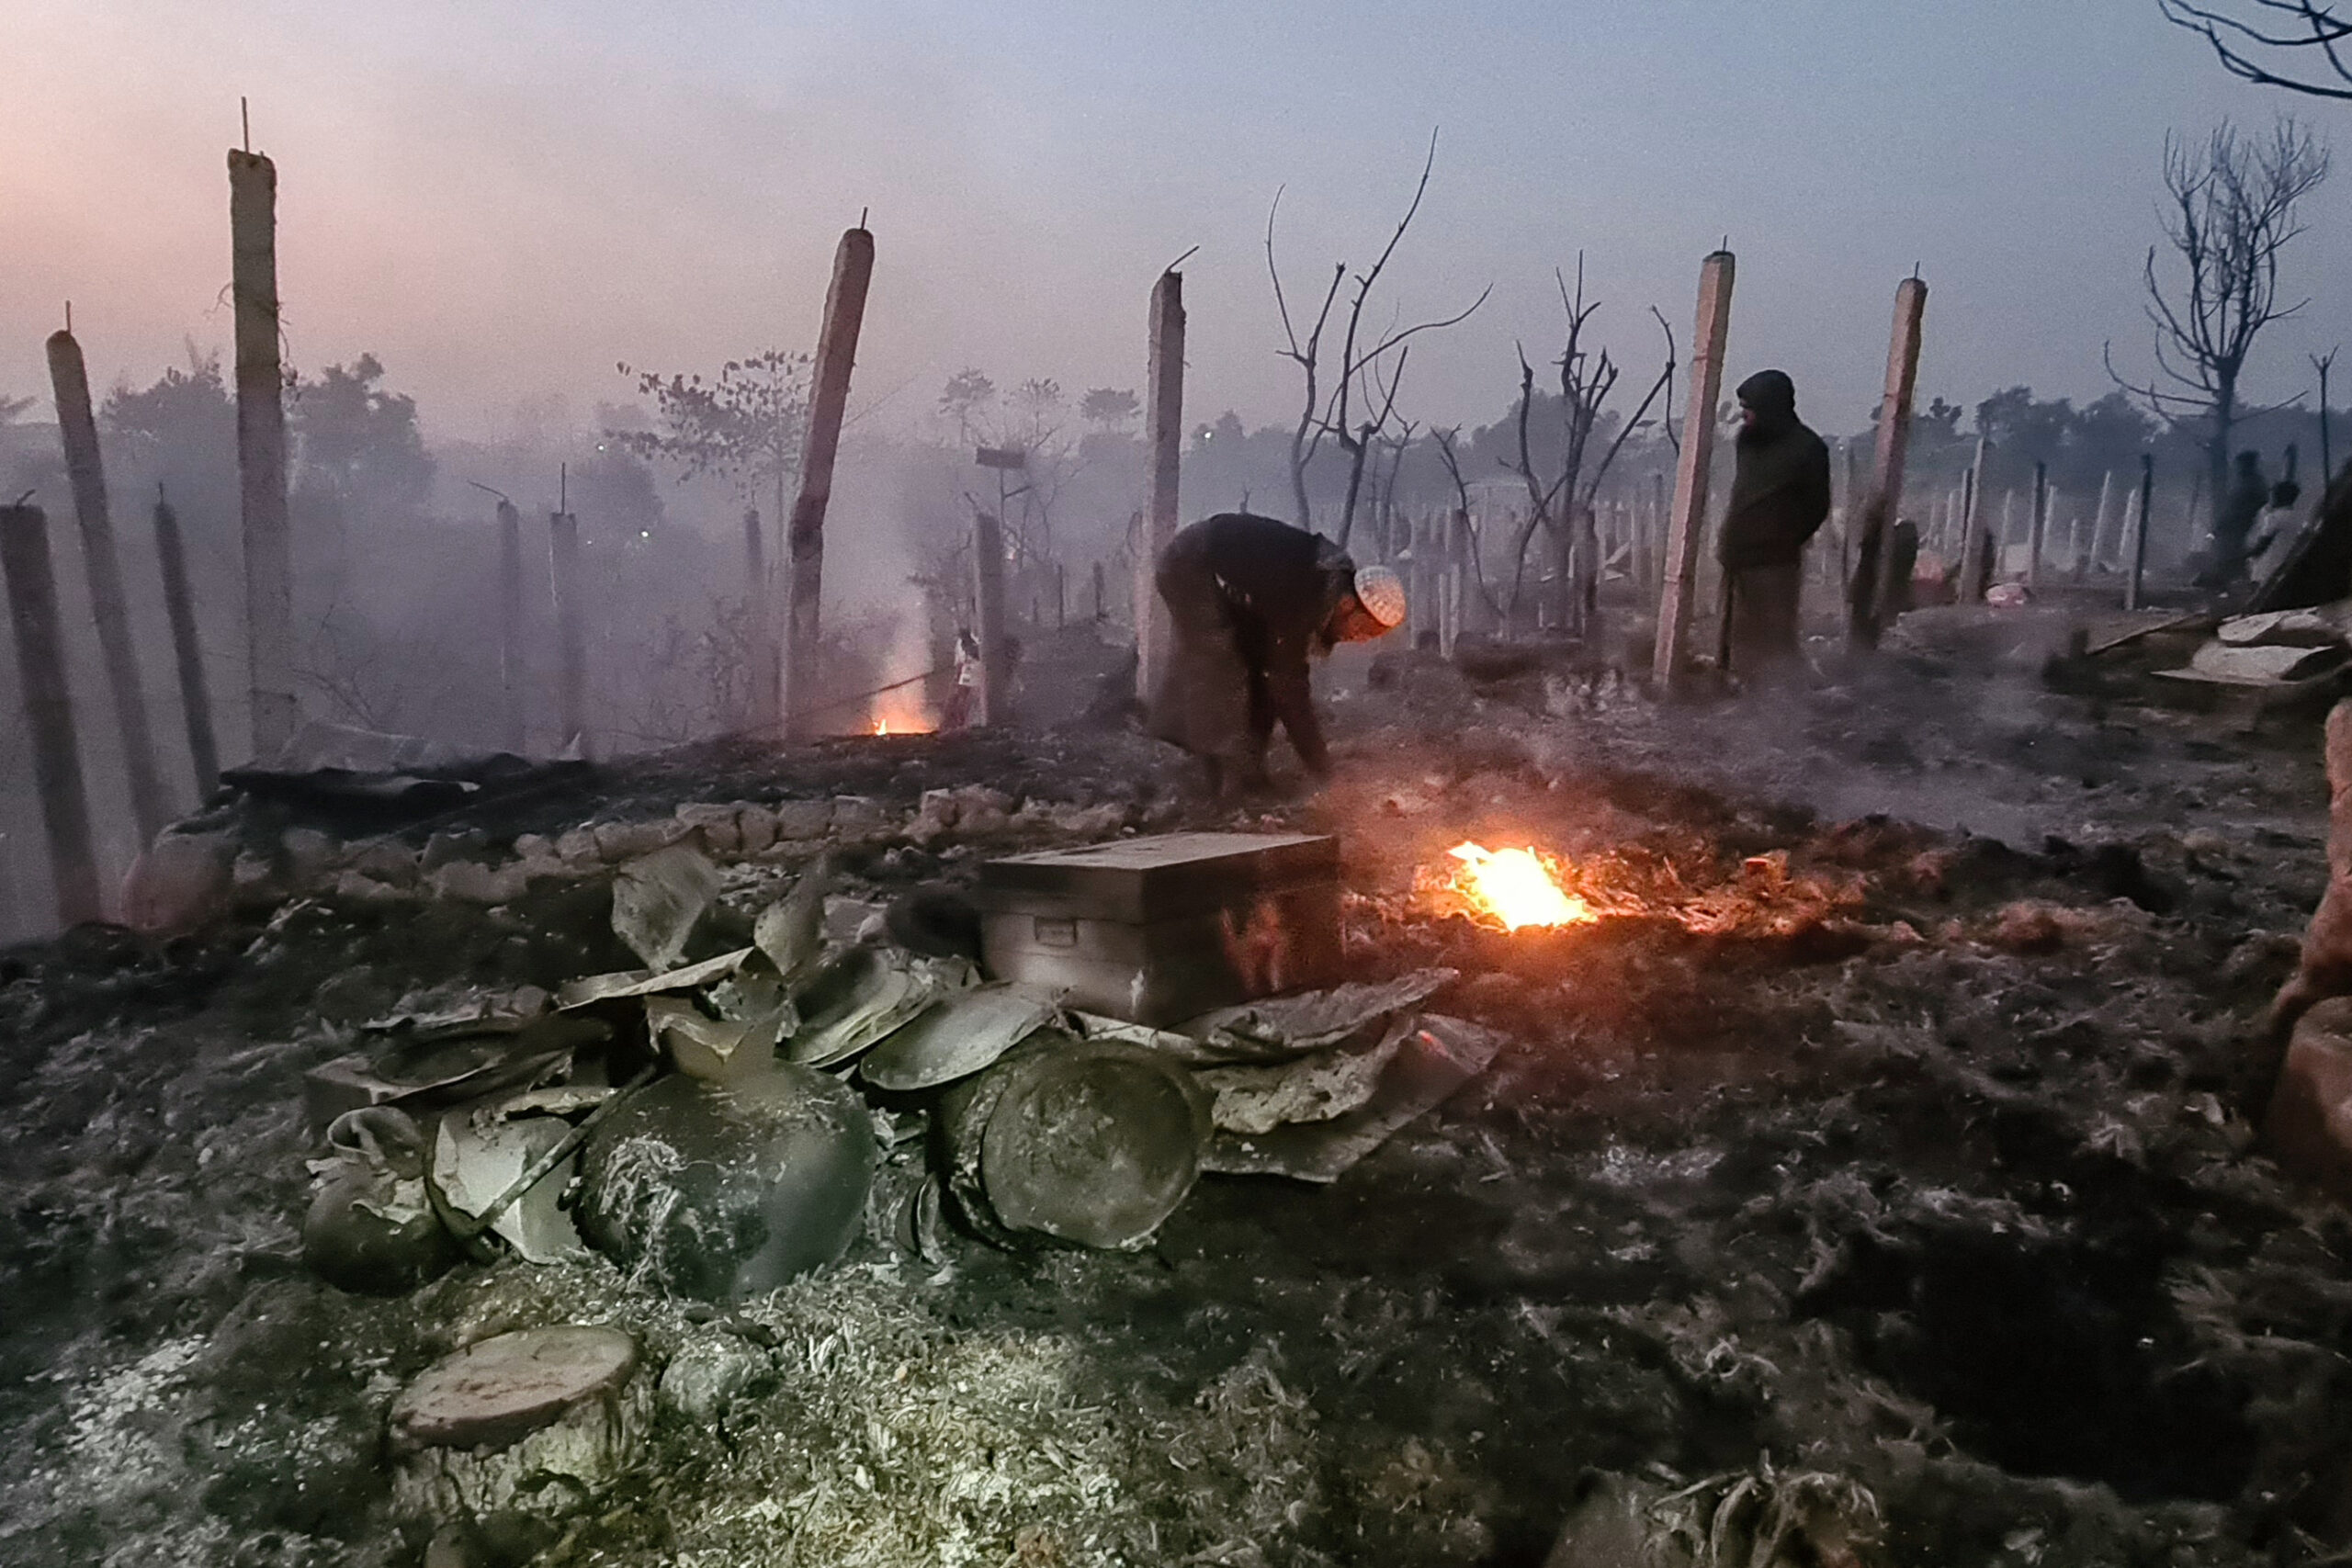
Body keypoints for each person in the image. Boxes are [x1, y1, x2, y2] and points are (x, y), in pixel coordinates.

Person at [1148, 512, 1405, 798]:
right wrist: (1323, 771)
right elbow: (1290, 690)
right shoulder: (1305, 594)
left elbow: (1276, 681)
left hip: (1223, 579)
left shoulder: (1325, 585)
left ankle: (1247, 773)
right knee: (1222, 667)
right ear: (1347, 605)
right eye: (1361, 631)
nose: (1358, 641)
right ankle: (1225, 785)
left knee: (1259, 671)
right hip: (1189, 563)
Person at [1715, 369, 1832, 682]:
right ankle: (1740, 694)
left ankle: (1780, 703)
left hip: (1774, 564)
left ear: (1771, 407)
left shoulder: (1808, 449)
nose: (1744, 415)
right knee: (1735, 634)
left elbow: (1817, 507)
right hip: (1737, 556)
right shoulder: (1748, 442)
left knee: (1773, 639)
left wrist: (1782, 539)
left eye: (1749, 408)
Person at [2204, 450, 2271, 587]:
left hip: (2243, 523)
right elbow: (2232, 504)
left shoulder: (2255, 482)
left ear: (2249, 464)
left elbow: (2261, 502)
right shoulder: (2241, 481)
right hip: (2232, 524)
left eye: (2242, 464)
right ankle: (2227, 579)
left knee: (2236, 552)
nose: (2239, 467)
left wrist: (2243, 516)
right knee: (2227, 551)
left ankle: (2236, 580)